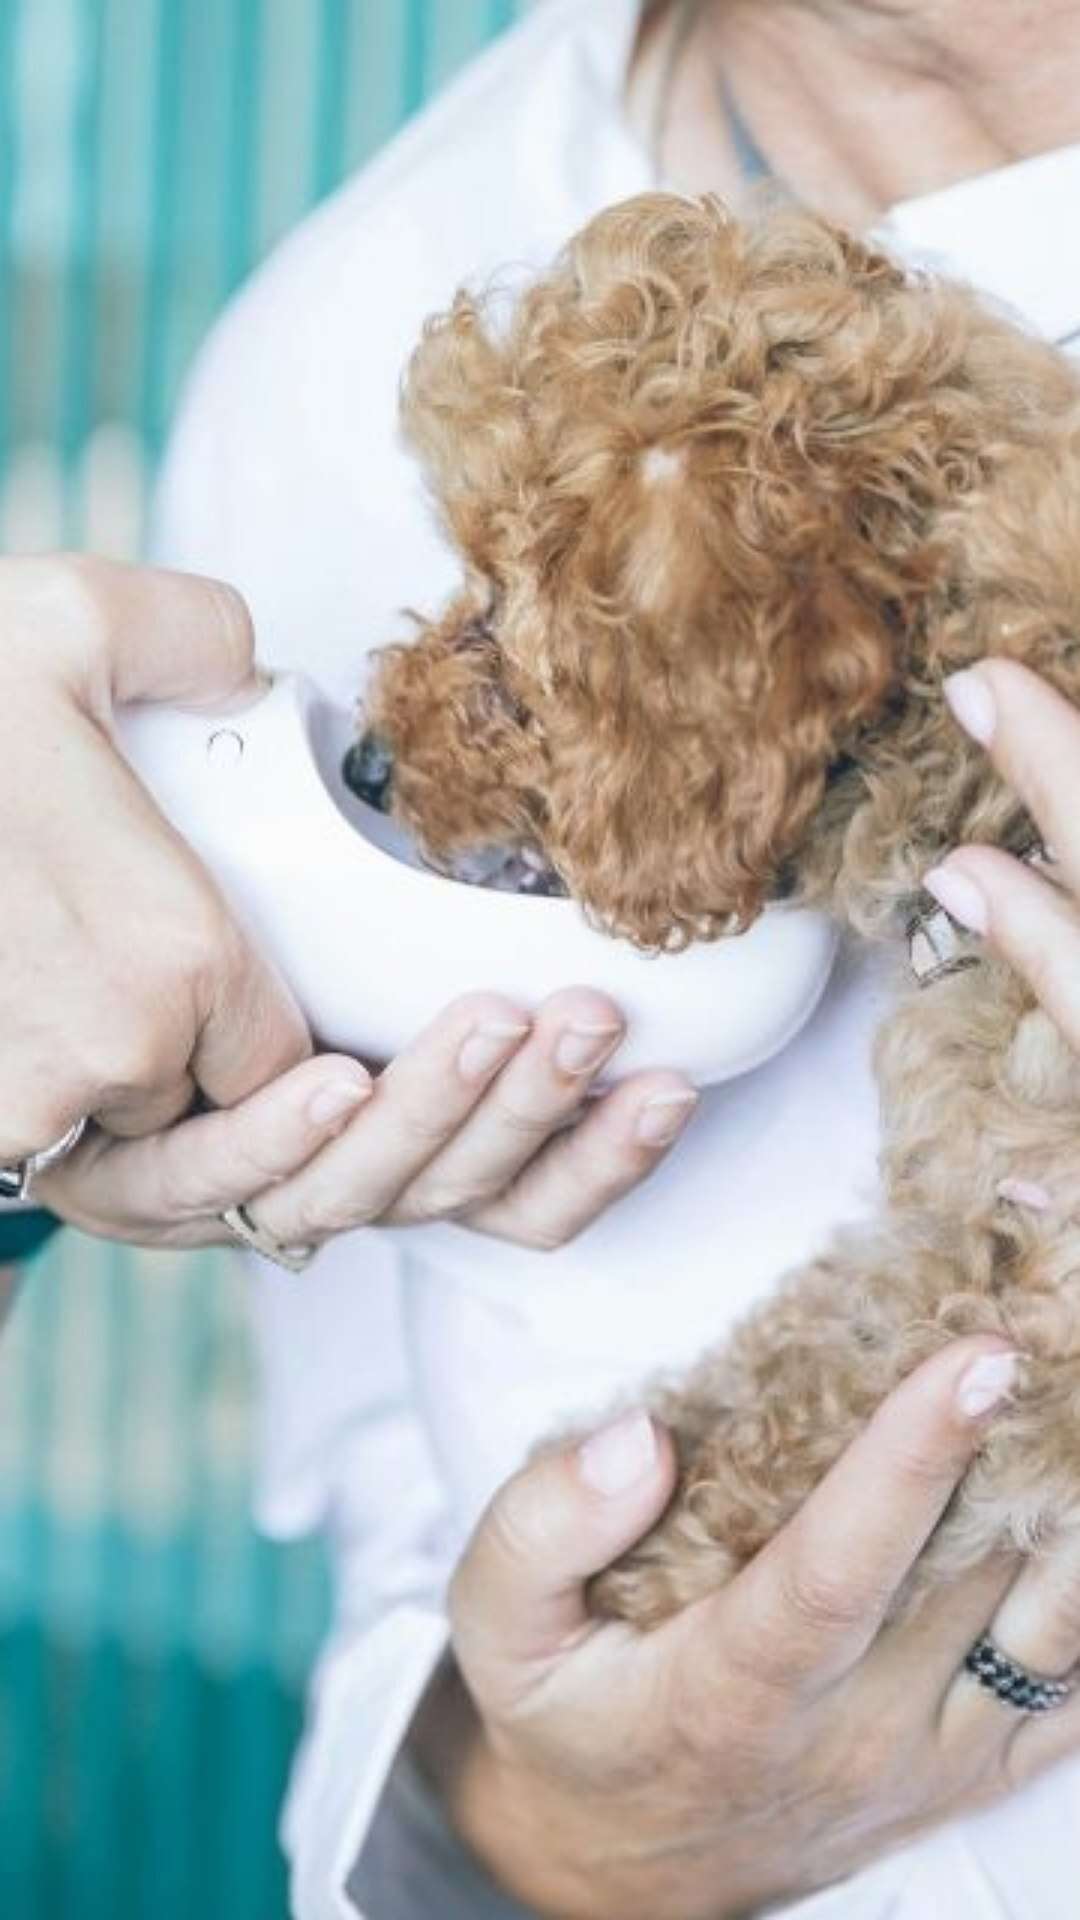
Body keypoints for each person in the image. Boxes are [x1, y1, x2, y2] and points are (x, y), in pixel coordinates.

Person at [5, 0, 1080, 1914]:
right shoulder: (325, 342)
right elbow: (396, 1522)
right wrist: (543, 1847)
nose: (410, 707)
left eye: (507, 637)